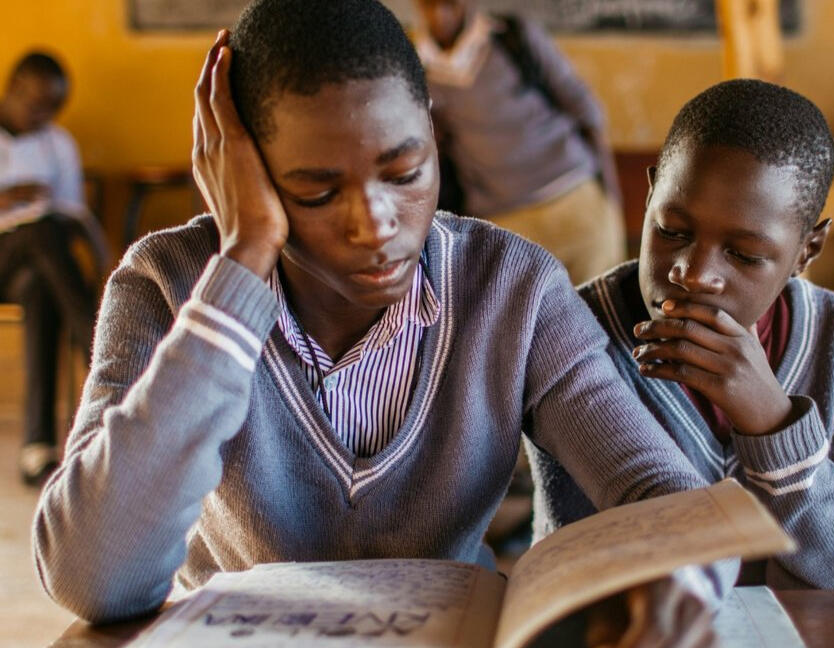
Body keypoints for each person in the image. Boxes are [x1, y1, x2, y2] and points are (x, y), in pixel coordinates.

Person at [32, 1, 726, 640]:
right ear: (237, 171)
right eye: (318, 190)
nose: (377, 225)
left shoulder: (512, 289)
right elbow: (91, 578)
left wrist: (682, 578)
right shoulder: (168, 283)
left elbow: (663, 494)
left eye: (404, 172)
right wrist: (242, 264)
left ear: (431, 124)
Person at [527, 79, 834, 589]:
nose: (694, 272)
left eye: (745, 255)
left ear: (806, 251)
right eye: (673, 231)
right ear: (652, 194)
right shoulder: (573, 331)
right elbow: (580, 567)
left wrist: (774, 423)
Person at [413, 0, 625, 285]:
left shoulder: (513, 38)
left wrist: (611, 198)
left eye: (450, 3)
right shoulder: (417, 67)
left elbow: (586, 111)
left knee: (600, 311)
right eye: (429, 4)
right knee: (524, 323)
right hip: (505, 221)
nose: (440, 13)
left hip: (574, 200)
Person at [0, 51, 102, 486]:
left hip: (37, 262)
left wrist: (46, 213)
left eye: (55, 106)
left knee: (43, 284)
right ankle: (99, 345)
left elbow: (73, 215)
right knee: (38, 230)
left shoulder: (58, 143)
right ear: (12, 90)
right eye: (38, 103)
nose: (47, 114)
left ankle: (38, 449)